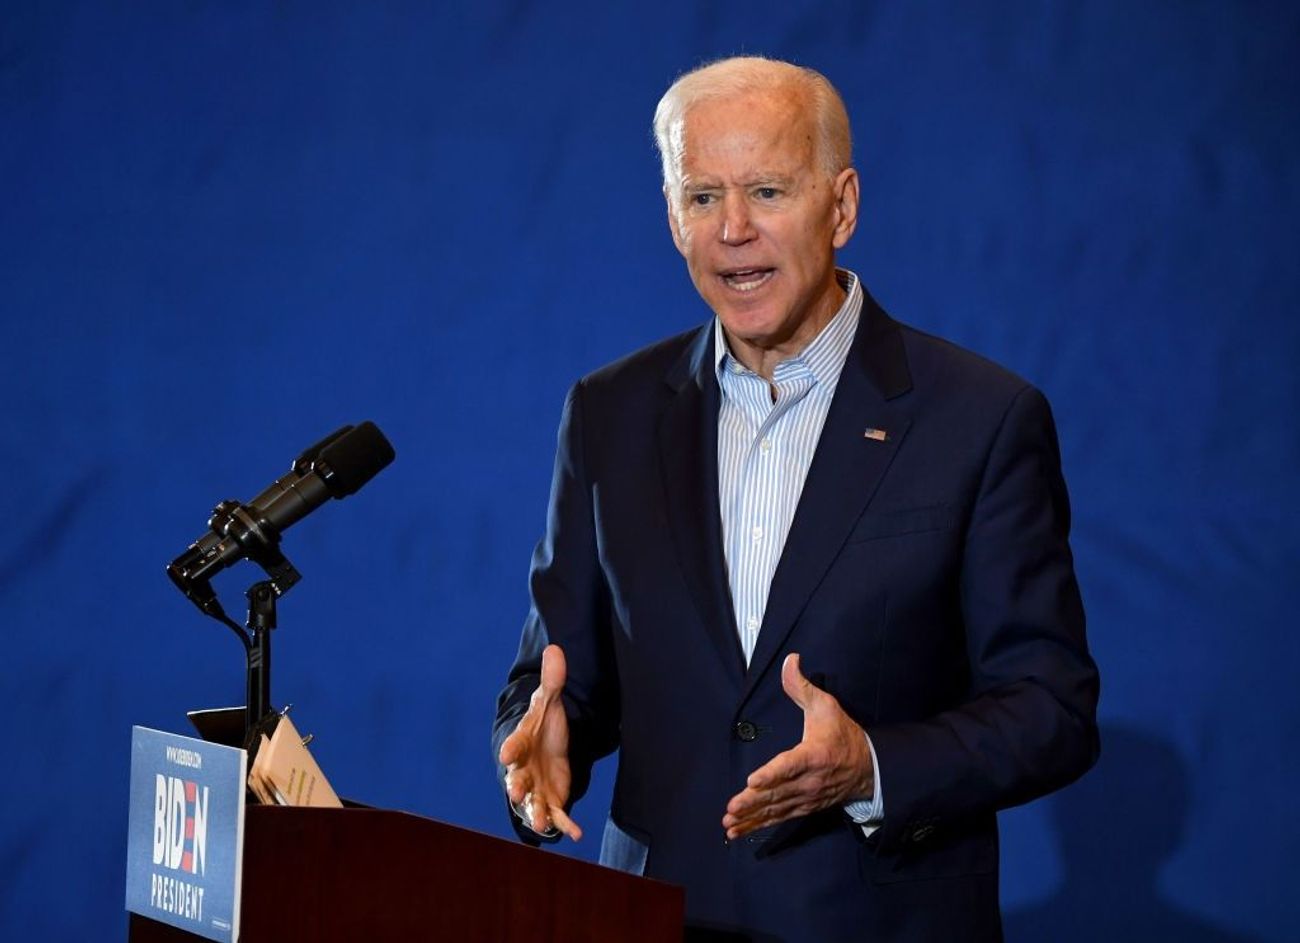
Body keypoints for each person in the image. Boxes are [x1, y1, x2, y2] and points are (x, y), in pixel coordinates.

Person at [493, 56, 1099, 942]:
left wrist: (872, 766)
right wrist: (545, 744)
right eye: (702, 198)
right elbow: (556, 677)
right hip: (660, 916)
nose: (734, 229)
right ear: (672, 219)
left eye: (768, 191)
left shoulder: (983, 418)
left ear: (842, 206)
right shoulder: (608, 414)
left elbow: (1052, 706)